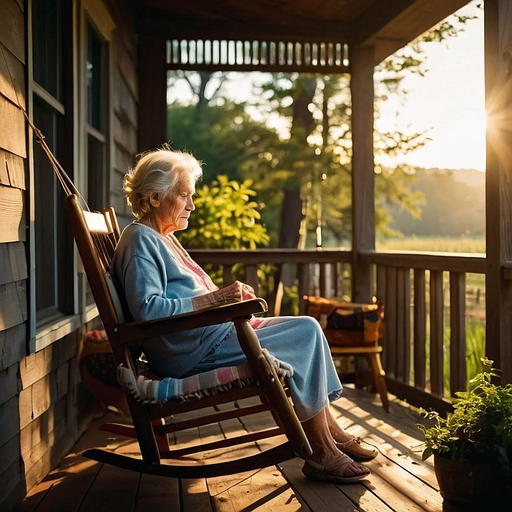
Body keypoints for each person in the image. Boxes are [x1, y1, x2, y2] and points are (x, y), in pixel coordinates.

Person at [112, 146, 377, 484]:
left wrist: (223, 302)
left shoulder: (161, 237)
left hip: (209, 336)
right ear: (153, 197)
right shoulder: (140, 240)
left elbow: (181, 299)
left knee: (306, 329)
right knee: (305, 334)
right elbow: (148, 310)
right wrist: (216, 300)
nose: (192, 205)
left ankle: (330, 434)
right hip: (192, 351)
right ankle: (321, 452)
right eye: (184, 196)